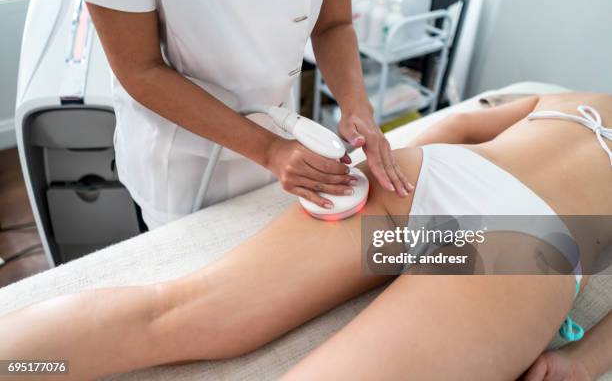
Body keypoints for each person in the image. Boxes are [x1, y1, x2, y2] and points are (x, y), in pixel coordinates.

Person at [1, 93, 611, 379]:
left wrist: (378, 170)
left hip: (429, 180)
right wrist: (580, 365)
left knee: (175, 311)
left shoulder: (580, 98)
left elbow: (461, 122)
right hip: (528, 244)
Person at [38, 0, 413, 229]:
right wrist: (268, 149)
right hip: (184, 161)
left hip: (282, 147)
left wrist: (357, 108)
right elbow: (139, 69)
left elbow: (333, 25)